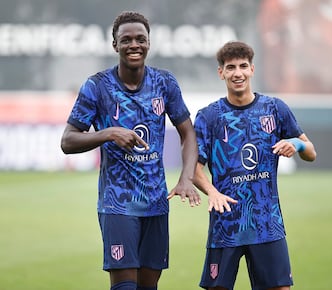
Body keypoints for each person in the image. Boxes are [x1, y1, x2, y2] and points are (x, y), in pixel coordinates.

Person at [60, 11, 200, 290]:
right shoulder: (97, 86)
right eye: (126, 40)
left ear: (149, 43)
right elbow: (68, 141)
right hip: (117, 205)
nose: (134, 45)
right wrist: (109, 133)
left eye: (140, 39)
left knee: (148, 286)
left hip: (157, 203)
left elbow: (188, 134)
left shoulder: (165, 83)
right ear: (115, 45)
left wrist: (186, 178)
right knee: (124, 286)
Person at [193, 41, 316, 290]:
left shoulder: (275, 108)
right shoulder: (209, 116)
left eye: (242, 66)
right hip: (225, 225)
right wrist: (213, 192)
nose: (237, 73)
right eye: (230, 68)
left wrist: (296, 144)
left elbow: (311, 152)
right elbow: (194, 169)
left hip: (267, 224)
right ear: (221, 73)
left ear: (252, 69)